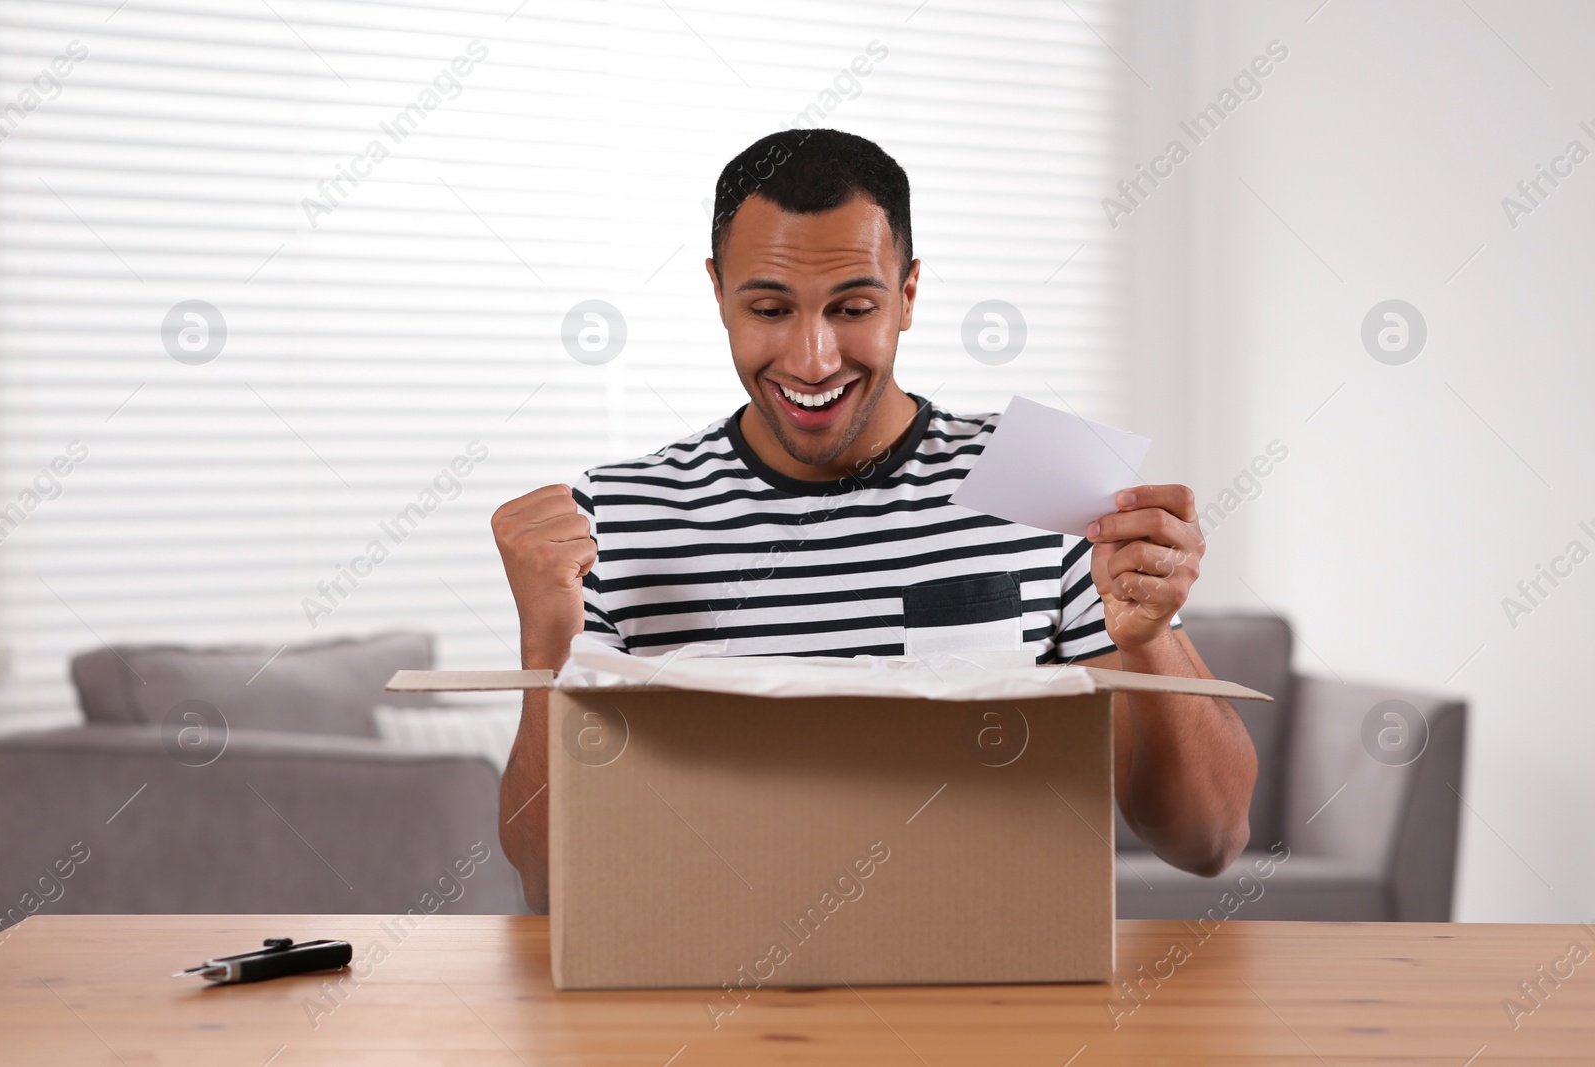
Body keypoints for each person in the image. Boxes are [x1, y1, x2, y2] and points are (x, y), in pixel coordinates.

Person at [492, 129, 1257, 913]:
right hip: (709, 993)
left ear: (910, 294)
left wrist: (1148, 640)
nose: (813, 358)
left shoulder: (1049, 476)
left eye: (853, 307)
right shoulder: (615, 517)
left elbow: (1208, 840)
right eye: (769, 308)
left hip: (995, 994)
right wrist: (548, 639)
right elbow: (554, 884)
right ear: (717, 293)